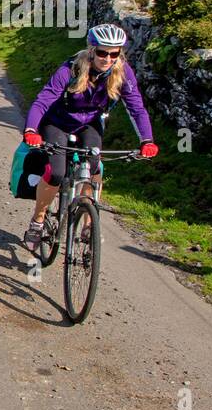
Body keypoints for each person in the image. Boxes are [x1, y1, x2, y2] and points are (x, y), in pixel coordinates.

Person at [21, 23, 158, 252]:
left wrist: (147, 140)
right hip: (57, 122)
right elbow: (43, 100)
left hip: (89, 124)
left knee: (94, 166)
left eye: (114, 54)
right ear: (92, 50)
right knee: (56, 172)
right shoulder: (71, 68)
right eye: (102, 52)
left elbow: (136, 109)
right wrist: (31, 130)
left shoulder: (122, 72)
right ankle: (38, 220)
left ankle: (88, 224)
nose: (107, 58)